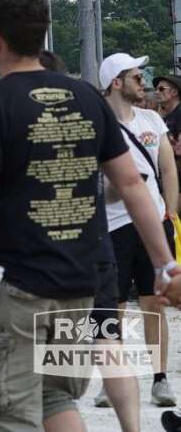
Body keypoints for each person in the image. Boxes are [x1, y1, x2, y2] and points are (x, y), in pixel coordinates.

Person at [0, 0, 181, 431]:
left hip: (20, 287)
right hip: (80, 287)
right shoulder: (86, 97)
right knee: (54, 397)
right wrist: (165, 262)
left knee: (3, 404)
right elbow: (131, 183)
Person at [99, 52, 180, 406]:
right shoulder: (97, 123)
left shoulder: (152, 120)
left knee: (153, 303)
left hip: (154, 224)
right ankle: (110, 378)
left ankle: (159, 377)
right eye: (135, 75)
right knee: (111, 306)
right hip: (112, 225)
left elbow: (169, 171)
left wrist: (170, 214)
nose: (143, 81)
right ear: (116, 82)